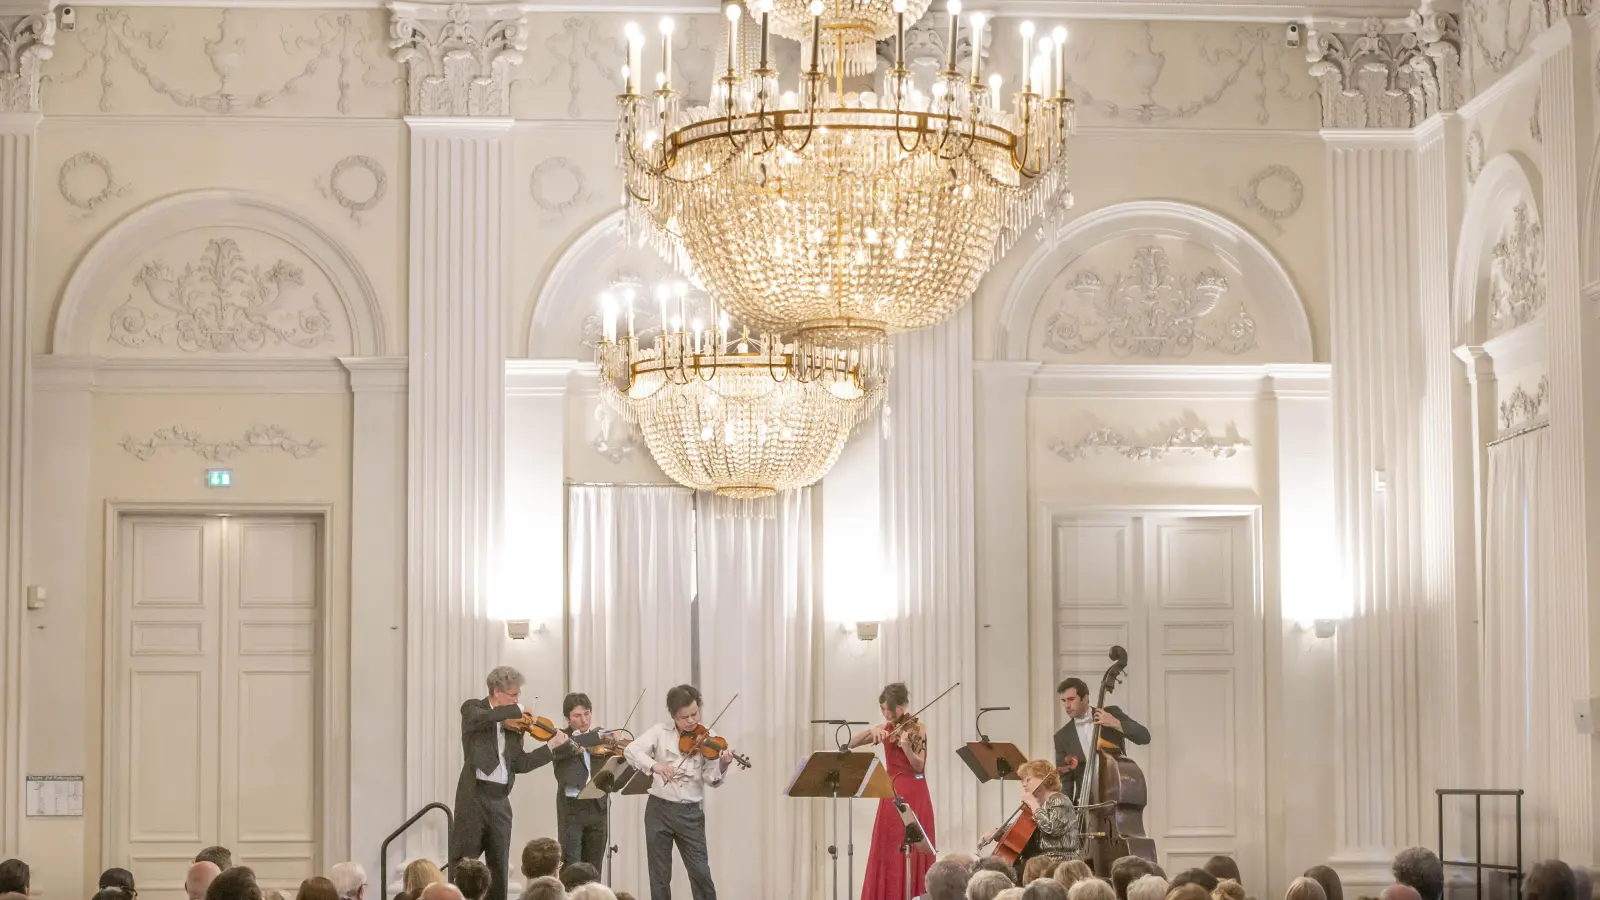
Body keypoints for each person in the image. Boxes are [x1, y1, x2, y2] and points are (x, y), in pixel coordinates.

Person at [451, 666, 570, 900]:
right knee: (465, 864)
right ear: (497, 692)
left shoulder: (515, 726)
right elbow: (483, 717)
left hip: (500, 800)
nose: (518, 700)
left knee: (500, 868)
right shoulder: (473, 708)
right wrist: (512, 709)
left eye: (518, 696)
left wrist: (551, 747)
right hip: (473, 797)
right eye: (513, 695)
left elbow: (521, 764)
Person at [623, 683, 736, 900]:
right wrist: (655, 766)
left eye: (695, 713)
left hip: (690, 814)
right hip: (659, 810)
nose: (692, 720)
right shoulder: (659, 732)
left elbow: (711, 779)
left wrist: (723, 765)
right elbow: (631, 750)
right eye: (685, 717)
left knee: (700, 872)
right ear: (674, 716)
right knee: (659, 875)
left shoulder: (709, 736)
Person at [852, 683, 938, 900]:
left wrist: (907, 748)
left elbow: (919, 766)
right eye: (883, 709)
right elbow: (850, 743)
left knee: (913, 847)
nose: (887, 713)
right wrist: (872, 730)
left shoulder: (917, 729)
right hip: (891, 793)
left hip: (915, 791)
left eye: (890, 709)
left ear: (903, 706)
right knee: (889, 847)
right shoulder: (887, 728)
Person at [1052, 678, 1150, 801]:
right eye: (1063, 701)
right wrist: (1068, 815)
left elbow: (1144, 737)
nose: (1067, 705)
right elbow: (1065, 782)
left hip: (1117, 797)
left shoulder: (1111, 713)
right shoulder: (1062, 737)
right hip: (1085, 802)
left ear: (1085, 698)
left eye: (1071, 699)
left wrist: (1116, 723)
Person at [980, 759, 1076, 883]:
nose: (1024, 784)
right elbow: (1020, 827)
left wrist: (1032, 802)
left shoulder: (1059, 800)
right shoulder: (1038, 805)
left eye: (1028, 779)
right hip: (1038, 865)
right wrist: (996, 832)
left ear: (1043, 778)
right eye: (1022, 781)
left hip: (1057, 866)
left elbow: (1051, 829)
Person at [554, 693, 609, 869]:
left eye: (587, 713)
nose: (584, 720)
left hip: (597, 807)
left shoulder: (602, 738)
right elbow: (569, 746)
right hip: (572, 809)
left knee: (594, 867)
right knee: (572, 866)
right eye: (577, 716)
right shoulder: (559, 738)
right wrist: (595, 738)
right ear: (567, 719)